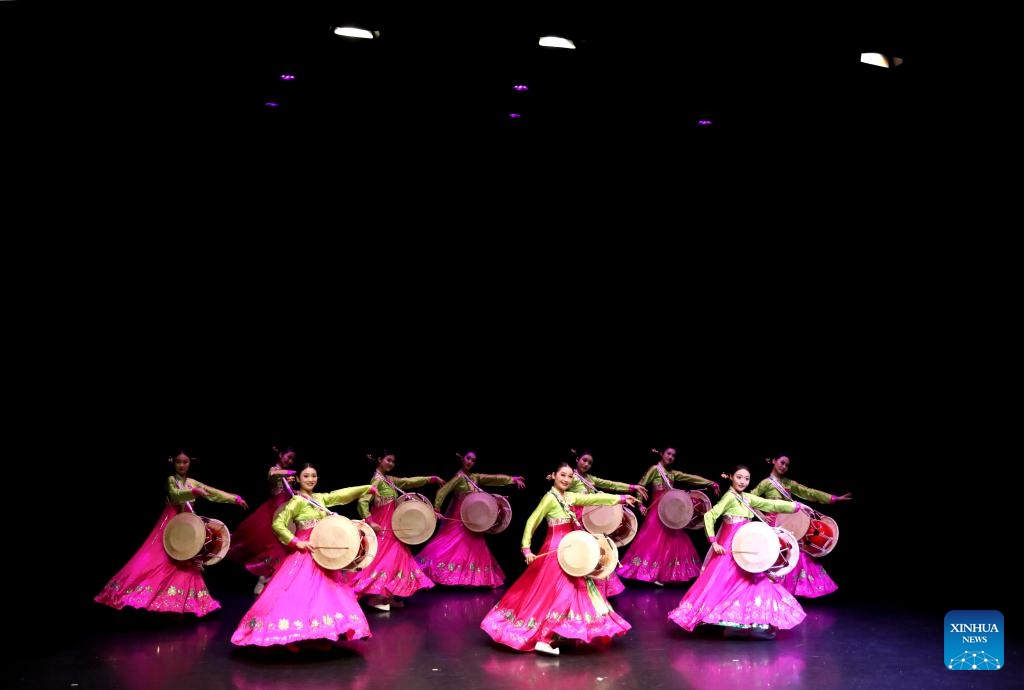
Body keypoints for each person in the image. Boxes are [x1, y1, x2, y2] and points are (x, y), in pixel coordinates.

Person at [480, 461, 641, 655]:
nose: (566, 479)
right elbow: (532, 521)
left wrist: (622, 499)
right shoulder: (549, 498)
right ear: (553, 476)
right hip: (556, 551)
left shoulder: (571, 496)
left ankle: (563, 634)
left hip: (573, 549)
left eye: (569, 476)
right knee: (559, 593)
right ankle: (544, 639)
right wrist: (526, 550)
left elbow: (595, 500)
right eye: (562, 475)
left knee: (575, 591)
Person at [230, 463, 377, 652]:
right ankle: (292, 637)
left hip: (323, 554)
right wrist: (294, 541)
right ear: (298, 479)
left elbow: (340, 495)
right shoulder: (297, 501)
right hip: (304, 553)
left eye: (314, 475)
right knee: (299, 594)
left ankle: (319, 634)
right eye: (306, 476)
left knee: (324, 595)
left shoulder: (320, 498)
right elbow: (278, 523)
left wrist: (366, 488)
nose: (311, 479)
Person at [94, 451, 249, 617]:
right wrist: (194, 493)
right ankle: (148, 598)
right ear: (173, 464)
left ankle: (186, 603)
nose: (182, 465)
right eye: (178, 462)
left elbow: (213, 492)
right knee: (162, 560)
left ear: (190, 463)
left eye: (185, 462)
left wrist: (235, 498)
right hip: (171, 525)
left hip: (187, 525)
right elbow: (176, 495)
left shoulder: (192, 482)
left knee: (188, 561)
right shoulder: (171, 480)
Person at [667, 464, 808, 639]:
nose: (742, 481)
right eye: (739, 477)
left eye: (746, 478)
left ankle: (745, 622)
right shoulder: (729, 497)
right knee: (725, 583)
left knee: (752, 582)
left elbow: (769, 504)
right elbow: (709, 516)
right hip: (730, 548)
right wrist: (713, 542)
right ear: (732, 477)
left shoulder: (747, 498)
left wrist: (796, 506)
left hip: (745, 546)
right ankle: (731, 623)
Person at [346, 451, 443, 612]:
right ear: (379, 460)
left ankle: (386, 597)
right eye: (388, 460)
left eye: (393, 461)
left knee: (396, 559)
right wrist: (370, 521)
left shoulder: (389, 480)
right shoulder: (376, 480)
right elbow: (362, 501)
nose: (391, 463)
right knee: (384, 560)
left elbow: (409, 482)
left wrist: (430, 479)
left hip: (392, 525)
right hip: (382, 526)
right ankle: (376, 598)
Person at [416, 451, 526, 587]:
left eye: (473, 460)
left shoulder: (474, 477)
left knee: (476, 546)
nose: (470, 462)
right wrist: (437, 508)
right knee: (449, 544)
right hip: (459, 516)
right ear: (462, 458)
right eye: (468, 458)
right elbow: (442, 491)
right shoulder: (459, 477)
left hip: (472, 517)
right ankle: (426, 569)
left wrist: (512, 479)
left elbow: (493, 478)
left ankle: (471, 578)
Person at [751, 454, 852, 598]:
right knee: (779, 553)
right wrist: (762, 516)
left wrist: (833, 498)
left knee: (799, 552)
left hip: (791, 523)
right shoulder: (765, 483)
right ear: (774, 461)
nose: (784, 466)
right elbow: (750, 499)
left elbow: (808, 492)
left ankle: (799, 589)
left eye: (787, 465)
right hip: (776, 524)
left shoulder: (789, 483)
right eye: (782, 462)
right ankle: (775, 589)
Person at [617, 447, 720, 585]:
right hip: (656, 510)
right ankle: (649, 573)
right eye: (668, 454)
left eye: (673, 455)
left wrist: (710, 483)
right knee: (652, 540)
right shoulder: (655, 469)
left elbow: (690, 477)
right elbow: (641, 485)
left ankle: (662, 574)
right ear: (661, 454)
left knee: (673, 540)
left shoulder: (672, 474)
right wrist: (640, 504)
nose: (671, 457)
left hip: (670, 510)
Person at [569, 448, 648, 597]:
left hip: (590, 521)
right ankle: (578, 590)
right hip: (575, 521)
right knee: (582, 552)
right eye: (584, 460)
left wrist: (632, 487)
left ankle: (596, 590)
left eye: (590, 463)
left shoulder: (590, 479)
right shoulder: (570, 477)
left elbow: (610, 484)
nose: (586, 464)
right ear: (577, 459)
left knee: (597, 552)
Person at [226, 445, 298, 594]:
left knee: (285, 545)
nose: (290, 461)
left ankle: (274, 580)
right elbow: (274, 475)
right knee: (271, 544)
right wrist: (293, 474)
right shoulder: (274, 469)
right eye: (288, 457)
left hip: (285, 509)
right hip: (273, 510)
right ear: (280, 454)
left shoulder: (286, 474)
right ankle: (263, 579)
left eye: (292, 459)